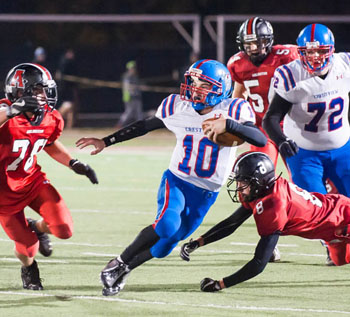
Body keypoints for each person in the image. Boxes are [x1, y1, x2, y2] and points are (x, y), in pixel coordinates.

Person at [76, 59, 267, 296]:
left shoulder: (235, 109)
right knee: (167, 225)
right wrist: (106, 141)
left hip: (207, 192)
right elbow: (144, 126)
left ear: (220, 88)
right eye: (193, 82)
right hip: (177, 180)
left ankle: (125, 270)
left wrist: (228, 124)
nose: (195, 88)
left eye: (203, 85)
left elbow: (260, 139)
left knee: (165, 246)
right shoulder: (178, 107)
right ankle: (118, 262)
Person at [180, 151, 350, 292]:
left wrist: (220, 284)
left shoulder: (274, 204)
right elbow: (232, 222)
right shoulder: (262, 190)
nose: (239, 187)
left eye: (243, 182)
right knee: (339, 259)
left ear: (259, 182)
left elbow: (259, 263)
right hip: (332, 226)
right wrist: (198, 242)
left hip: (343, 219)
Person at [0, 63, 98, 290]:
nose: (45, 95)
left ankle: (37, 226)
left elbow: (49, 143)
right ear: (20, 91)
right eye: (38, 90)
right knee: (28, 249)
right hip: (4, 194)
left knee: (64, 228)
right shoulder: (6, 112)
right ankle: (29, 267)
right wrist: (12, 111)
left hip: (32, 181)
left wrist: (73, 163)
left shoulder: (50, 118)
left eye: (47, 89)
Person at [262, 24, 350, 264]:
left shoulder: (346, 65)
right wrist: (280, 141)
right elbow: (270, 118)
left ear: (330, 50)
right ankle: (333, 246)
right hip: (304, 153)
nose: (314, 57)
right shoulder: (289, 75)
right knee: (320, 211)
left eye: (320, 51)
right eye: (308, 52)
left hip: (342, 148)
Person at [227, 16, 299, 262]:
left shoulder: (288, 55)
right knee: (257, 184)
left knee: (304, 180)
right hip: (262, 130)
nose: (252, 48)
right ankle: (269, 240)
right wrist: (235, 122)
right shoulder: (237, 64)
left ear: (268, 41)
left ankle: (327, 236)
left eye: (257, 43)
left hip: (292, 127)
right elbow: (237, 96)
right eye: (247, 44)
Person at [115, 60, 143, 129]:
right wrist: (136, 88)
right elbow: (128, 87)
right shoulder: (127, 77)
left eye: (134, 68)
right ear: (129, 68)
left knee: (138, 113)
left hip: (137, 97)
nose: (133, 69)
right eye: (132, 68)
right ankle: (119, 124)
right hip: (129, 97)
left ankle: (141, 126)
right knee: (128, 113)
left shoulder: (135, 76)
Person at [55, 48, 78, 129]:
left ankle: (69, 127)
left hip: (68, 88)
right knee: (68, 104)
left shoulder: (65, 62)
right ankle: (54, 119)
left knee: (71, 108)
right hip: (66, 88)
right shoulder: (66, 62)